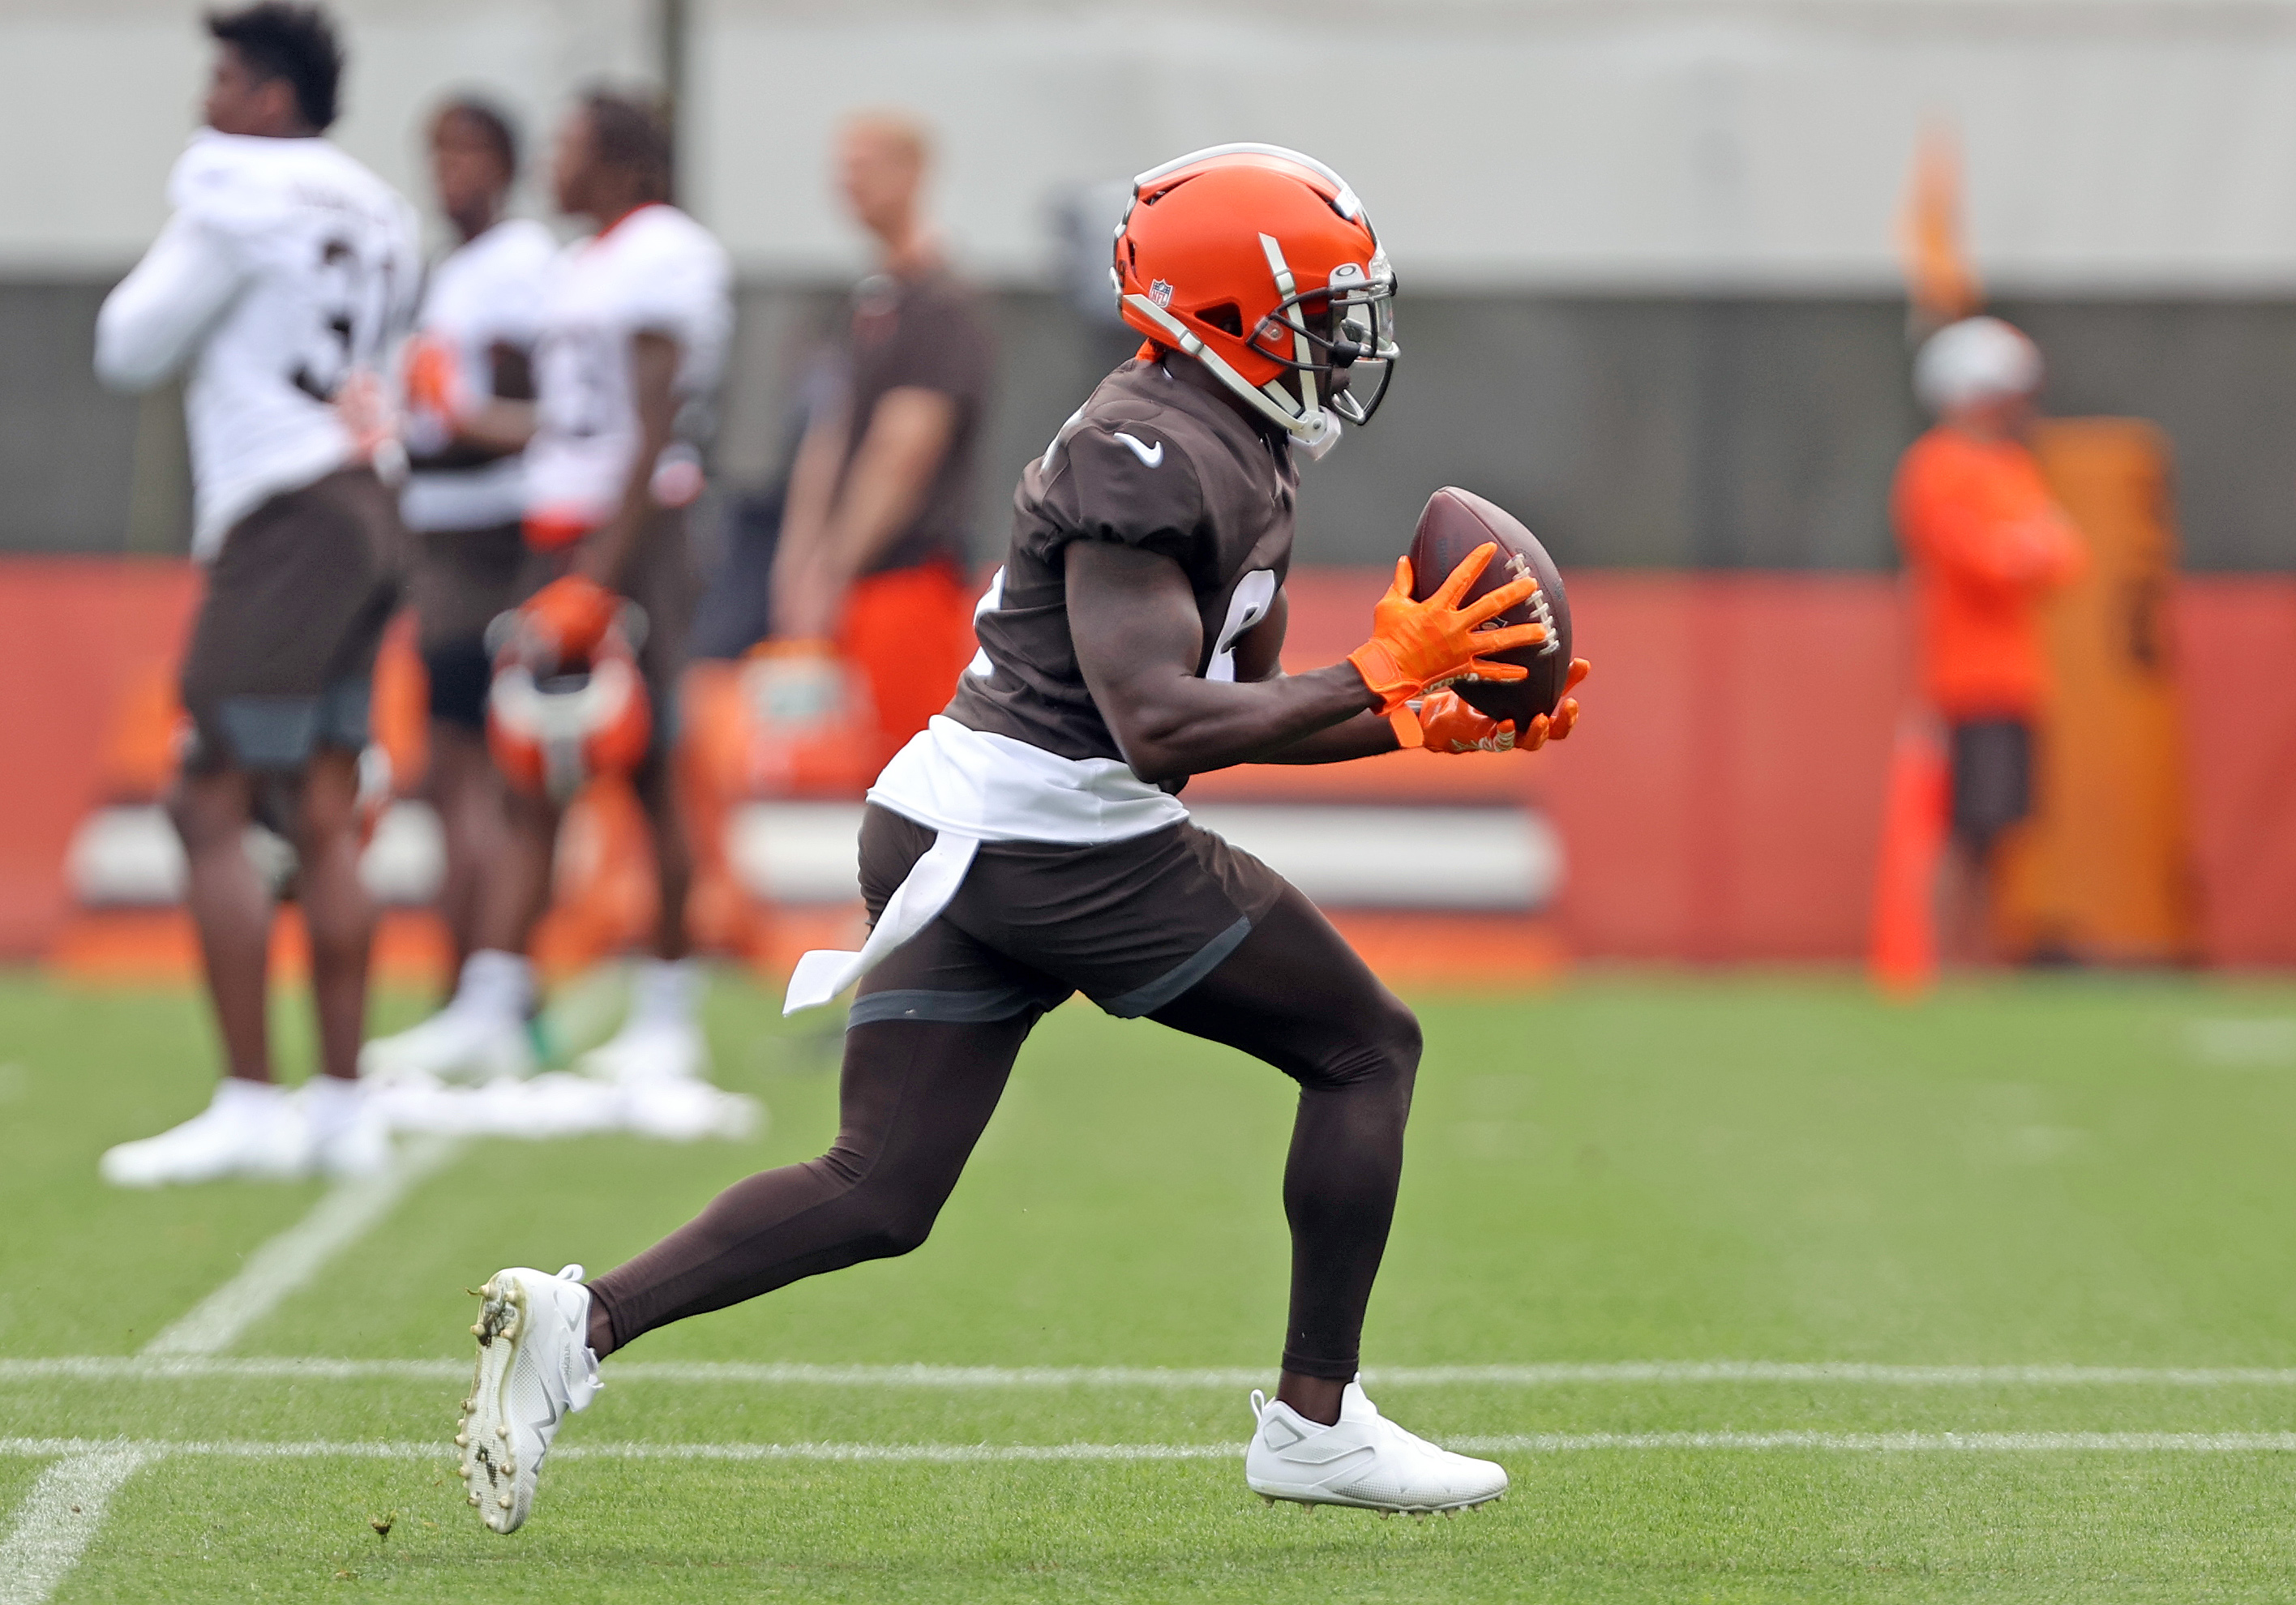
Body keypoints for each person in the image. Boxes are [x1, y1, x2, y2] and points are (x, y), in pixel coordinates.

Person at [454, 143, 1591, 1534]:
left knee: (878, 1188)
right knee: (1365, 1046)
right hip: (1060, 846)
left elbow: (1230, 716)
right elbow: (1159, 725)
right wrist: (1377, 678)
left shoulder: (1223, 439)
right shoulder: (1145, 453)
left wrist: (1426, 717)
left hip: (973, 828)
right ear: (1229, 309)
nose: (1345, 341)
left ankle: (580, 1324)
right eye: (1318, 310)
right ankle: (1315, 1420)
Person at [92, 2, 419, 1186]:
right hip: (376, 500)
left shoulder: (237, 188)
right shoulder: (381, 203)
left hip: (284, 507)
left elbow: (128, 343)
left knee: (209, 797)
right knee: (324, 804)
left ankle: (247, 1100)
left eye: (224, 78)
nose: (206, 100)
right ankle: (339, 1104)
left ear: (271, 99)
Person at [363, 90, 731, 1088]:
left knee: (647, 767)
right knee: (527, 769)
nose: (554, 166)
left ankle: (667, 1011)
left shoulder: (664, 251)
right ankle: (491, 998)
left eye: (571, 146)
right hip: (558, 533)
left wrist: (599, 577)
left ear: (622, 162)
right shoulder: (584, 261)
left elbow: (653, 430)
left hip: (630, 536)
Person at [367, 97, 556, 1077]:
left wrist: (462, 415)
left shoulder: (521, 267)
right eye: (439, 149)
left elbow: (555, 410)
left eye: (473, 150)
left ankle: (491, 985)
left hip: (494, 540)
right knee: (444, 778)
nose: (453, 170)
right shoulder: (451, 271)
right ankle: (471, 990)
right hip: (436, 540)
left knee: (478, 774)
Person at [765, 111, 994, 768]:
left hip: (903, 576)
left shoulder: (938, 303)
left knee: (909, 774)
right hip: (853, 578)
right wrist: (799, 563)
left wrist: (829, 568)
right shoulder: (874, 300)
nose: (849, 185)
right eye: (843, 169)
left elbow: (904, 451)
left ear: (913, 173)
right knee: (857, 775)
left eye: (865, 167)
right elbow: (830, 436)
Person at [1892, 315, 2087, 957]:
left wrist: (2025, 549)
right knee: (1962, 831)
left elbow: (2064, 554)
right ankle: (1948, 964)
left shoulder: (2011, 465)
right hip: (1963, 678)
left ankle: (1986, 967)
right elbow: (1983, 560)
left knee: (2001, 835)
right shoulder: (1937, 466)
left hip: (2017, 678)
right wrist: (2023, 548)